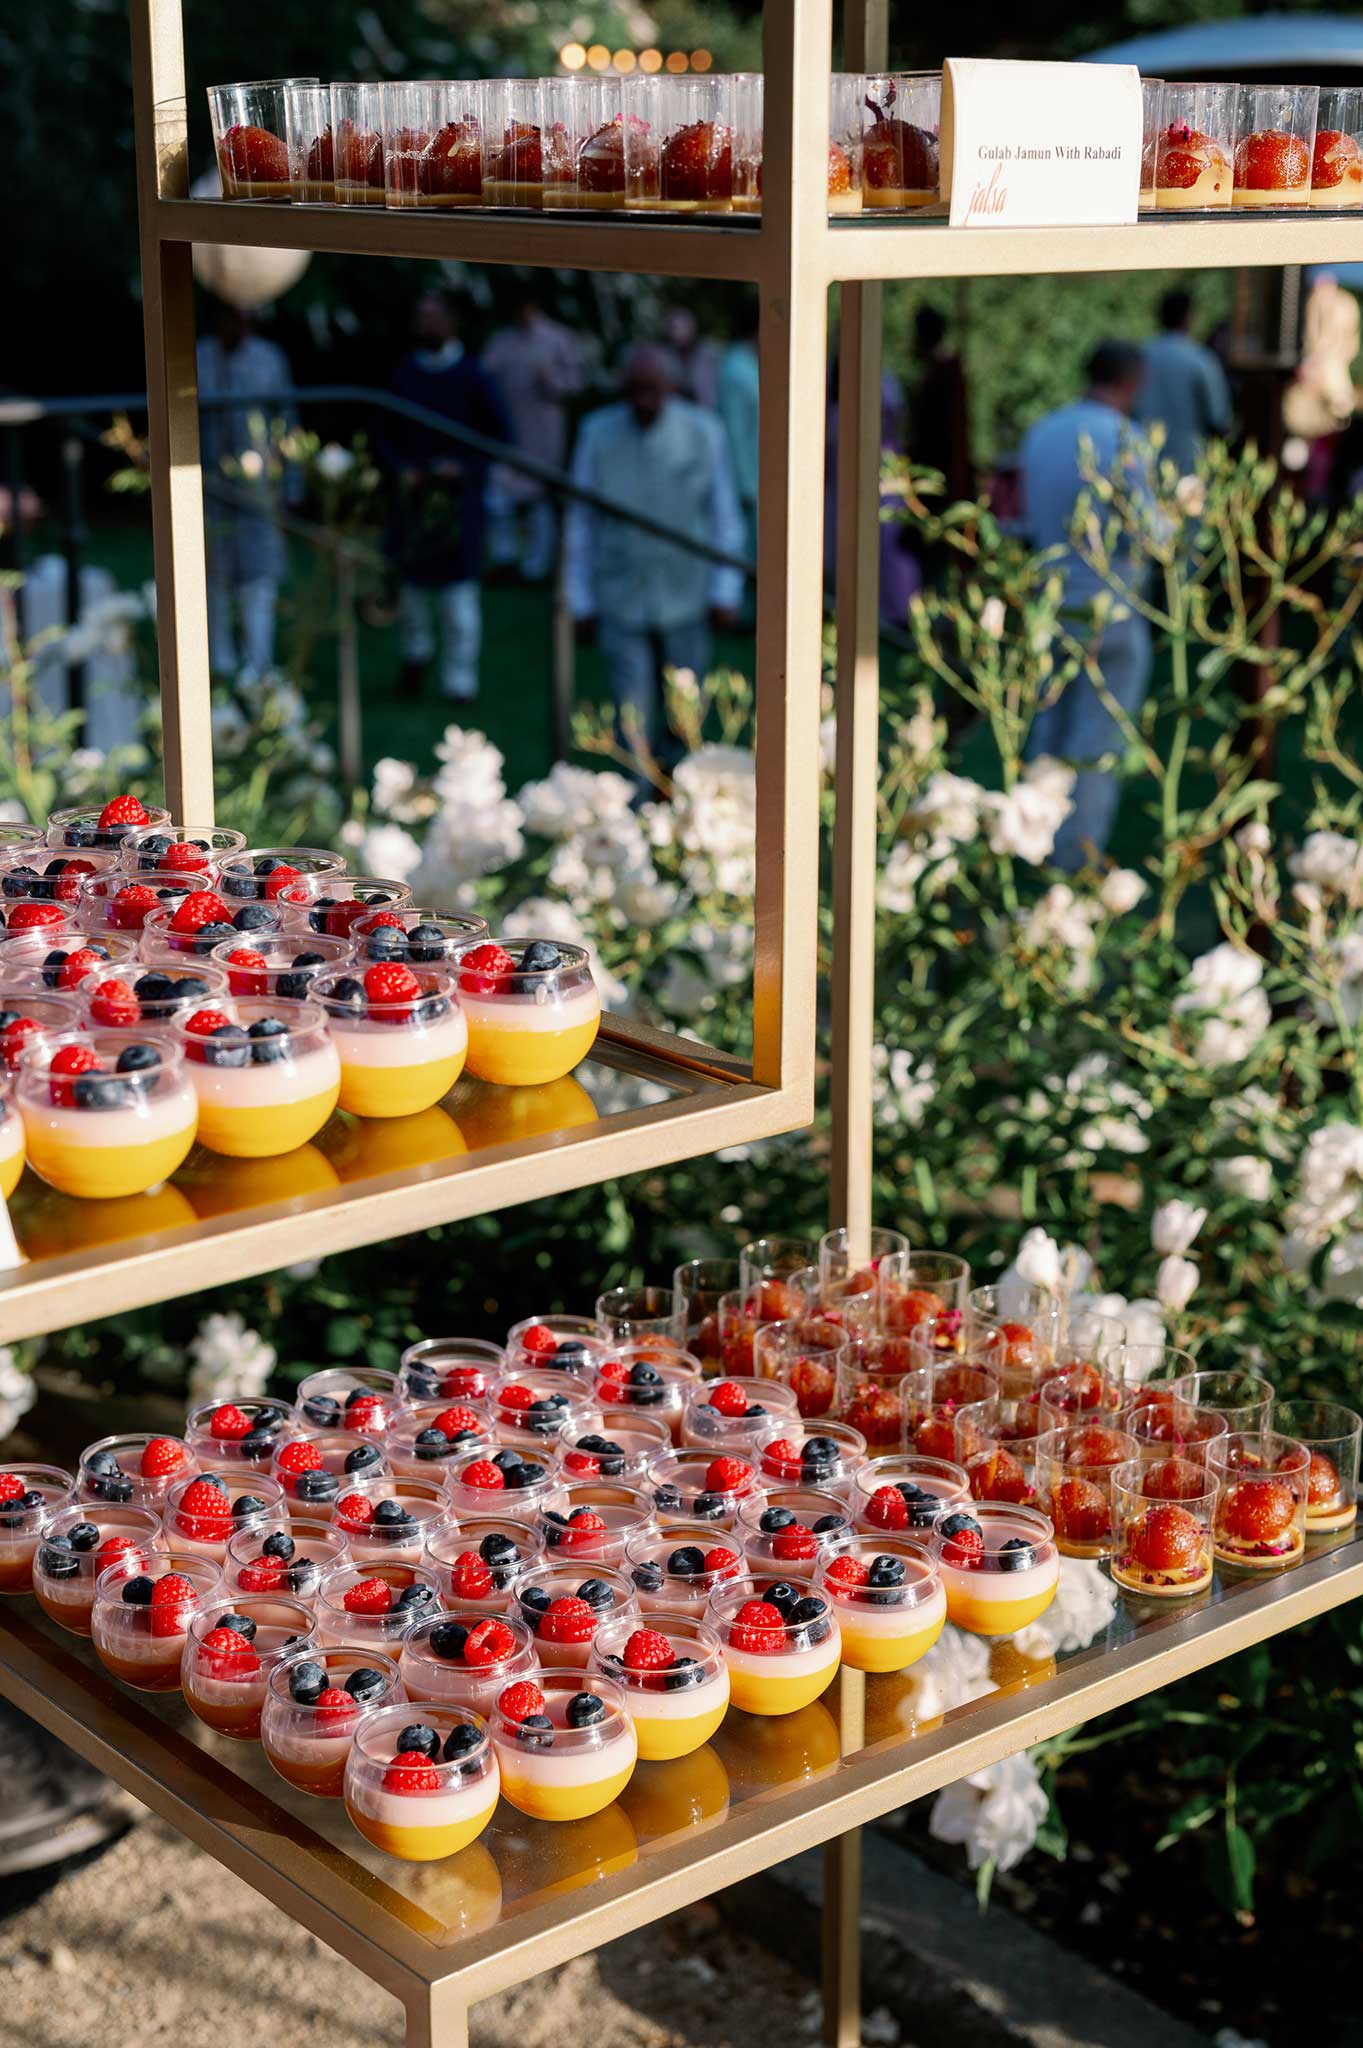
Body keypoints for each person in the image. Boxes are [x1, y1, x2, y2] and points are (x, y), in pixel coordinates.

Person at [565, 344, 744, 759]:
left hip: (686, 590)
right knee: (631, 709)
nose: (644, 399)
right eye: (636, 389)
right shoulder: (597, 433)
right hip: (620, 590)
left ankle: (683, 784)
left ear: (671, 387)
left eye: (653, 388)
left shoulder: (705, 431)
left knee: (687, 709)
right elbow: (580, 521)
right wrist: (579, 598)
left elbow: (724, 515)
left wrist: (726, 590)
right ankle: (637, 787)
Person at [1020, 338, 1153, 867]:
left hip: (1049, 603)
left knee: (1048, 729)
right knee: (1097, 740)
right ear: (1132, 382)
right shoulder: (1125, 437)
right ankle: (1076, 857)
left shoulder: (1042, 431)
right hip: (1108, 606)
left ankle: (1030, 841)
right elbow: (1149, 530)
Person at [384, 291, 511, 700]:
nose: (425, 325)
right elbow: (383, 433)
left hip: (459, 507)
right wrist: (403, 468)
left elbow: (500, 436)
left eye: (433, 317)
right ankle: (415, 660)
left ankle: (460, 681)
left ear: (451, 322)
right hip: (414, 506)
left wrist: (463, 467)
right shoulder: (405, 374)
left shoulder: (473, 376)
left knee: (459, 601)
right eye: (421, 316)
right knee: (412, 594)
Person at [197, 300, 296, 678]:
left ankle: (258, 663)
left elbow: (286, 421)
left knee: (260, 574)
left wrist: (291, 484)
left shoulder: (269, 359)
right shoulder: (197, 358)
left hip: (257, 488)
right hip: (207, 485)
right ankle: (217, 661)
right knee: (212, 573)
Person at [483, 289, 587, 583]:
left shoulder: (558, 339)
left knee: (540, 503)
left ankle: (536, 568)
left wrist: (552, 382)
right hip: (507, 436)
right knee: (498, 498)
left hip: (544, 438)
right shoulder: (501, 341)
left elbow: (577, 383)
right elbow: (484, 377)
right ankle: (504, 560)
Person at [1132, 287, 1232, 477]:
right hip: (1189, 466)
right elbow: (1220, 418)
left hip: (1142, 462)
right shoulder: (1201, 360)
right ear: (1189, 317)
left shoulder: (1139, 356)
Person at [908, 304, 973, 504]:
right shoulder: (939, 371)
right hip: (935, 476)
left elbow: (954, 428)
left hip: (942, 478)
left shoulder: (944, 372)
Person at [716, 301, 760, 563]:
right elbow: (733, 432)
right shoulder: (736, 369)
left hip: (752, 485)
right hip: (744, 490)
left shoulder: (747, 365)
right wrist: (745, 487)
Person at [662, 305, 721, 410]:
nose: (677, 333)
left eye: (682, 327)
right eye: (673, 328)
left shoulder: (710, 354)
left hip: (708, 412)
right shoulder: (666, 356)